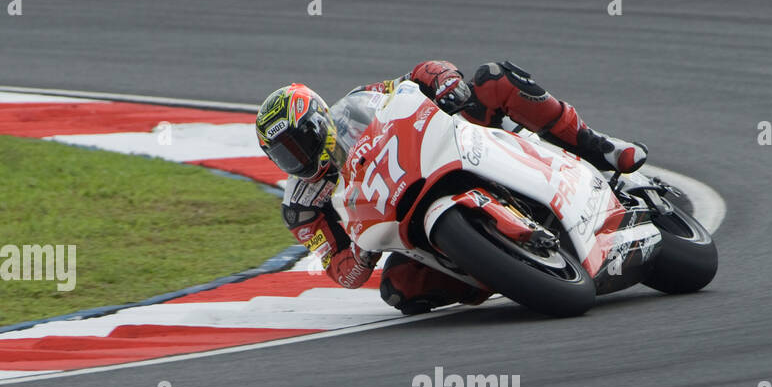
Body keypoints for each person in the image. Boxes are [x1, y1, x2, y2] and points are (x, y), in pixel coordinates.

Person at [255, 60, 648, 314]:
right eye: (286, 155)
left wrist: (445, 82)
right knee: (398, 289)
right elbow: (340, 270)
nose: (300, 157)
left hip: (442, 150)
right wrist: (358, 252)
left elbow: (414, 78)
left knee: (493, 79)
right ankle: (500, 268)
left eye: (301, 141)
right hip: (404, 222)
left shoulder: (357, 103)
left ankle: (598, 146)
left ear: (319, 121)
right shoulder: (302, 207)